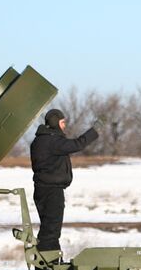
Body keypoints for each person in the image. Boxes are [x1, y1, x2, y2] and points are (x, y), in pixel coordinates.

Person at [30, 108, 99, 258]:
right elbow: (77, 144)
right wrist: (95, 130)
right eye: (62, 122)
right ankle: (47, 263)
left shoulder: (39, 140)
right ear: (55, 123)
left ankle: (50, 260)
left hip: (41, 190)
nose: (64, 126)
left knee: (49, 228)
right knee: (51, 229)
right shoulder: (52, 141)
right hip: (51, 191)